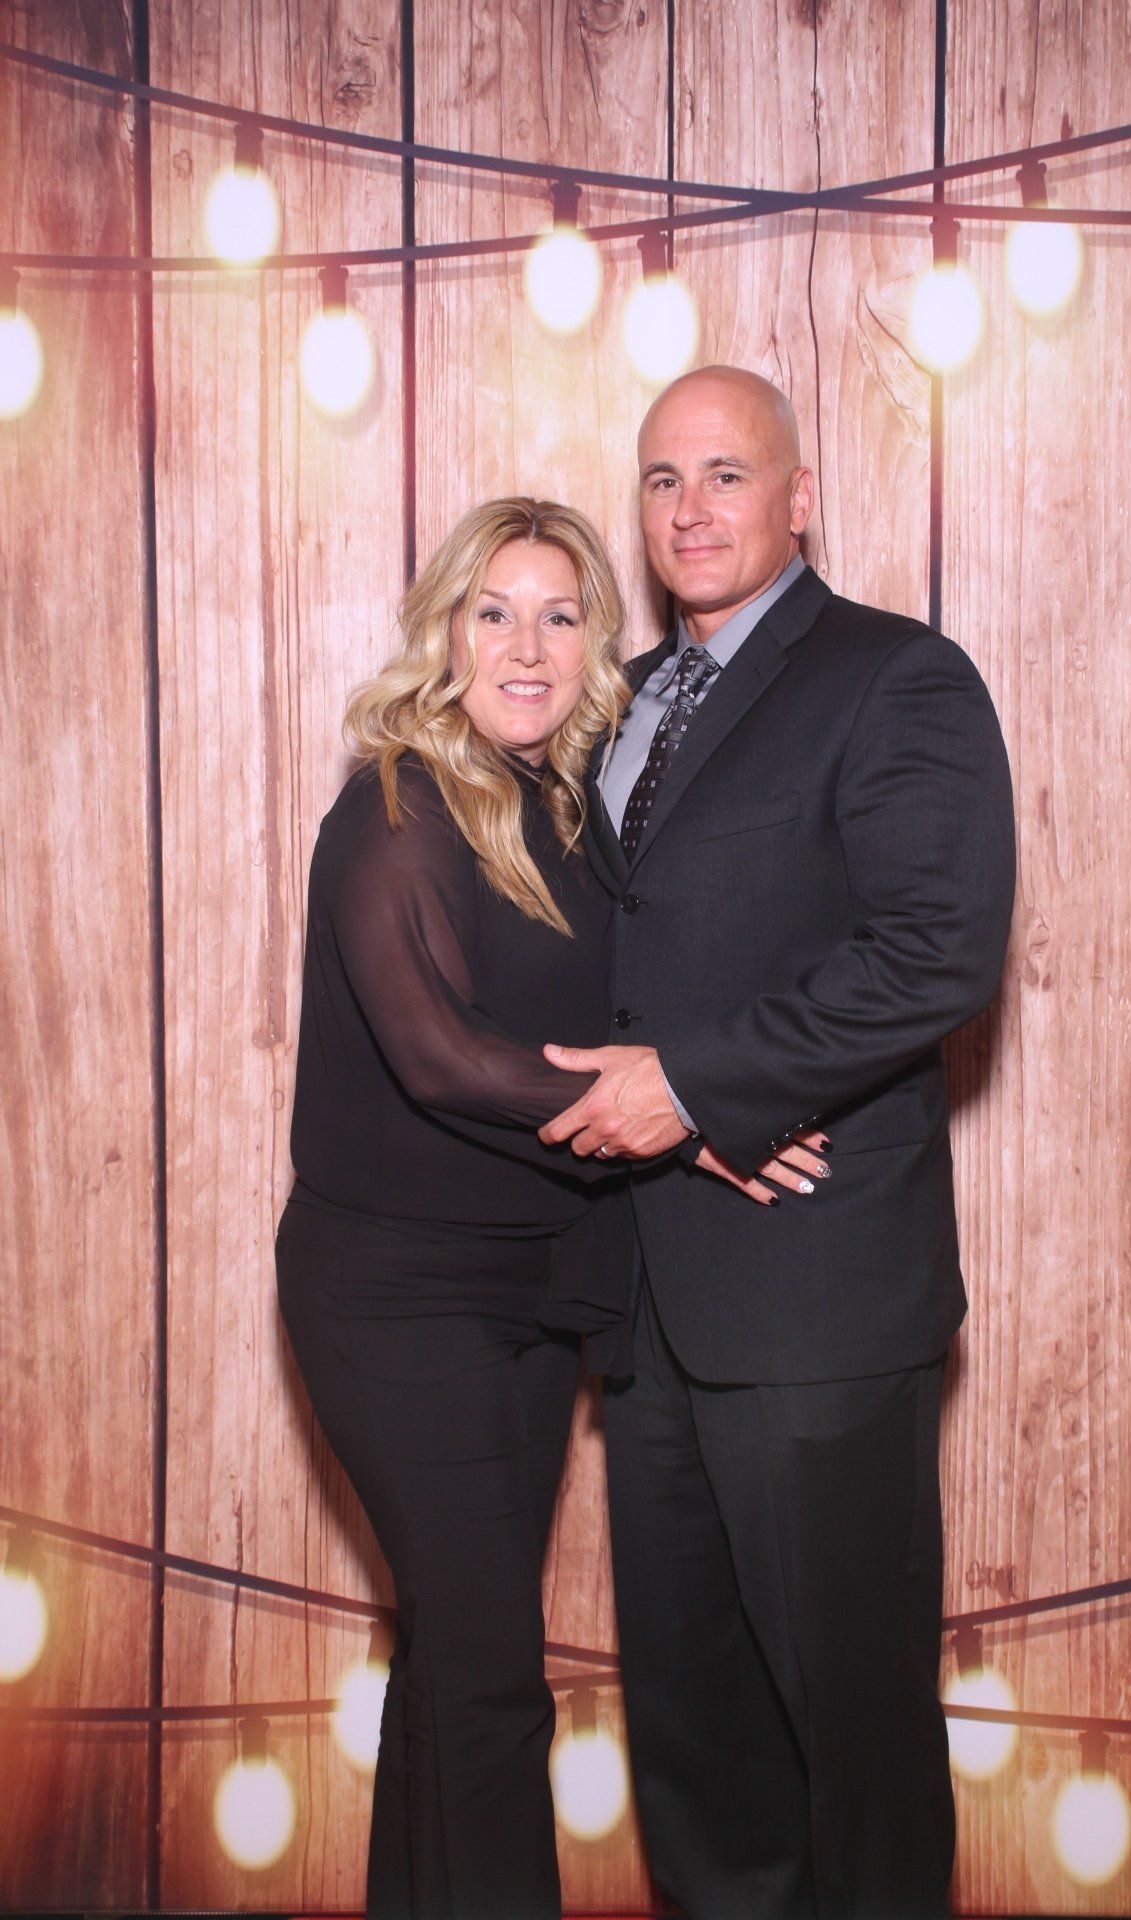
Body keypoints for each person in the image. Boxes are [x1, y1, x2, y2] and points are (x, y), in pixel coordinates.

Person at [540, 367, 1017, 1919]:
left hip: (818, 1303)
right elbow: (602, 973)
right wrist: (679, 1124)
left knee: (853, 1740)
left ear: (799, 497)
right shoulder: (613, 702)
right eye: (662, 479)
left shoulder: (898, 678)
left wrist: (699, 1089)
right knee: (696, 1745)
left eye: (727, 474)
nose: (691, 510)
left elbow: (937, 950)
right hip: (648, 1307)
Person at [275, 497, 641, 1920]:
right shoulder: (399, 800)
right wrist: (677, 1118)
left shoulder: (572, 808)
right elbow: (439, 1055)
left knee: (450, 1659)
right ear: (445, 632)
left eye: (559, 615)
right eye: (495, 613)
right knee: (491, 1680)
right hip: (398, 1292)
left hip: (534, 1285)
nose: (527, 648)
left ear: (594, 643)